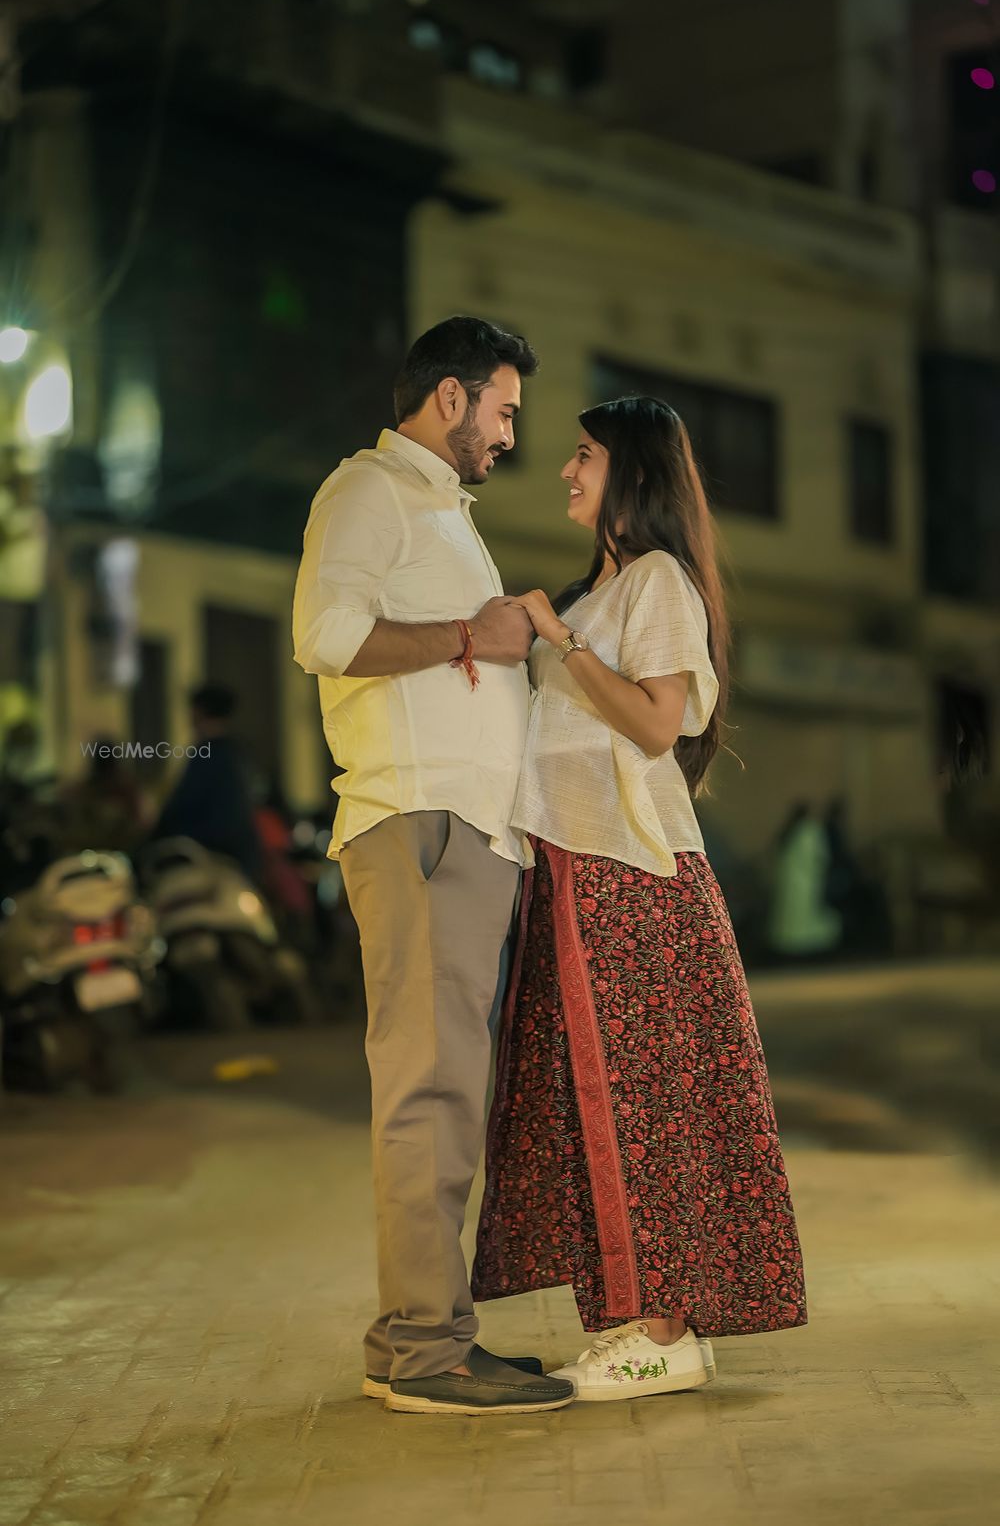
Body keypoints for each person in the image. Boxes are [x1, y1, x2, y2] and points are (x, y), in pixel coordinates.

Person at [471, 395, 807, 1401]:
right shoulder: (586, 598)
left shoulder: (655, 584)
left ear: (635, 475)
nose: (565, 472)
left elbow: (657, 725)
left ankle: (663, 1330)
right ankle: (643, 1322)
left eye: (583, 456)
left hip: (630, 876)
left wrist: (555, 645)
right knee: (595, 1107)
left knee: (648, 1100)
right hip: (572, 868)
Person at [291, 316, 576, 1416]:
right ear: (450, 399)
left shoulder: (438, 512)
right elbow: (325, 633)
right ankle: (421, 1351)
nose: (510, 434)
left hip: (463, 834)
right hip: (419, 825)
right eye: (503, 410)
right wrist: (470, 637)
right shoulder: (367, 490)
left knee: (450, 1090)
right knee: (428, 1090)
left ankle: (429, 1333)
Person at [152, 685, 263, 884]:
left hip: (206, 859)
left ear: (198, 712)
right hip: (241, 860)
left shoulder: (206, 755)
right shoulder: (238, 753)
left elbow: (182, 805)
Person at [766, 800, 842, 960]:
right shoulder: (810, 831)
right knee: (806, 917)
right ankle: (807, 949)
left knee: (791, 918)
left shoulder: (788, 831)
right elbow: (821, 856)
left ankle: (790, 949)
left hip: (790, 884)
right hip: (807, 883)